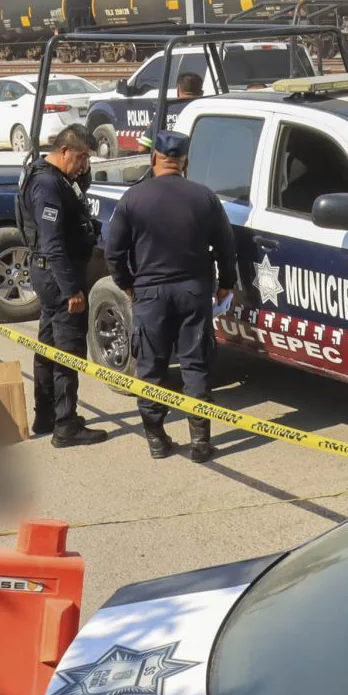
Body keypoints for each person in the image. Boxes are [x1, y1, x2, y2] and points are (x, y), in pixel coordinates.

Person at [103, 130, 238, 462]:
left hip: (150, 296)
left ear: (153, 160)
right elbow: (226, 245)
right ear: (185, 162)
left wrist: (127, 284)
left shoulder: (134, 198)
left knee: (151, 368)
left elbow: (113, 251)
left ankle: (157, 440)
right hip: (194, 292)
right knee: (195, 365)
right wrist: (226, 283)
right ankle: (201, 443)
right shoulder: (204, 197)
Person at [19, 125, 107, 447]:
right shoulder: (47, 185)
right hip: (59, 275)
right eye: (81, 157)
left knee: (46, 346)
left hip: (51, 274)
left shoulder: (55, 179)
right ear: (65, 151)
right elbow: (53, 242)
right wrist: (72, 289)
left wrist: (82, 175)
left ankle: (46, 416)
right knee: (66, 350)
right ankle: (65, 424)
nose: (84, 163)